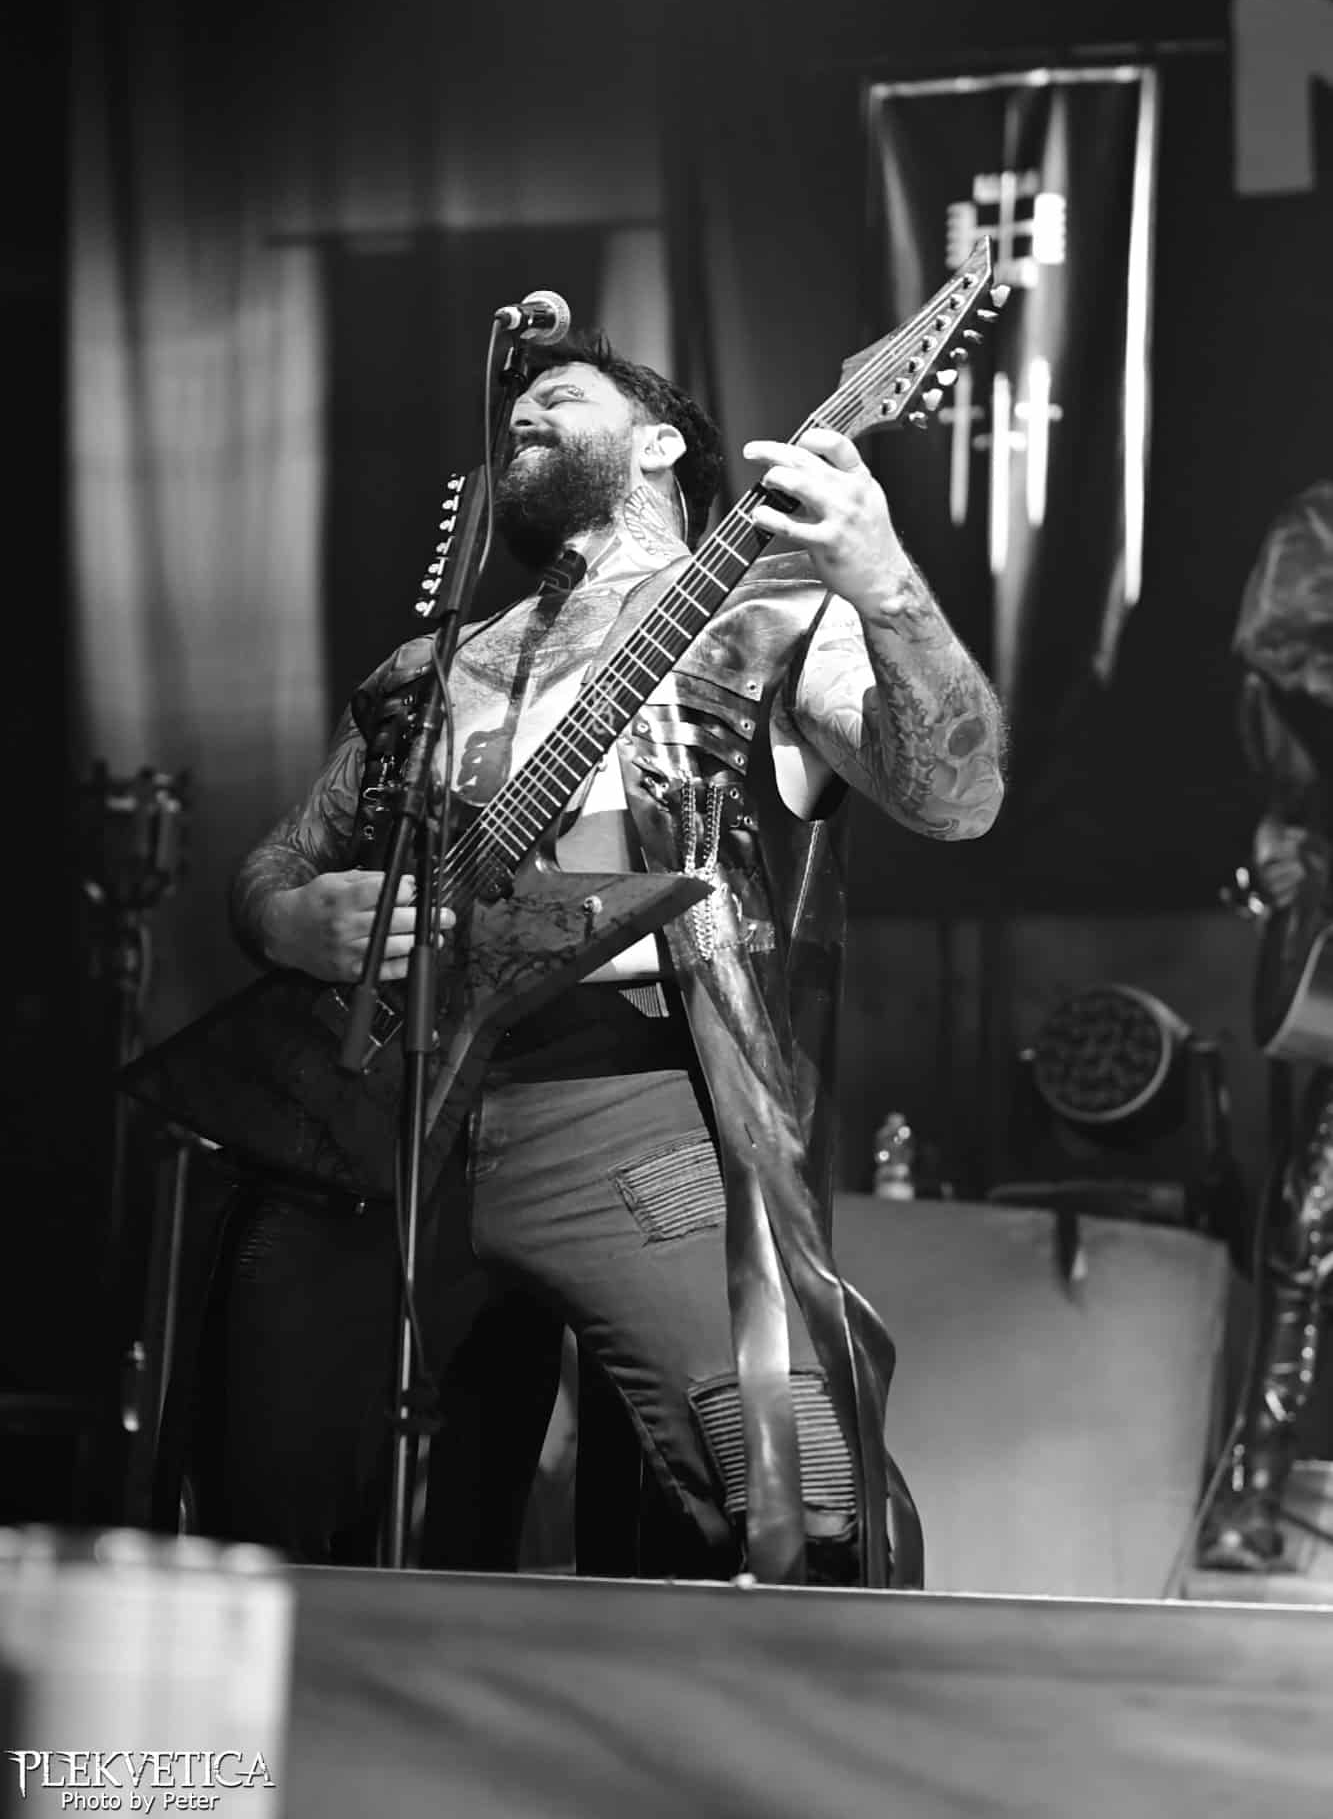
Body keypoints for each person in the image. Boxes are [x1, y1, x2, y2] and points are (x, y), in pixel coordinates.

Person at [183, 331, 1006, 1587]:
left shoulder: (769, 610)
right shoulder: (429, 668)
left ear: (663, 443)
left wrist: (885, 582)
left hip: (628, 1100)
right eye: (512, 404)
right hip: (388, 1121)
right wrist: (285, 920)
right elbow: (280, 860)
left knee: (794, 1492)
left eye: (561, 395)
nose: (523, 412)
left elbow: (959, 800)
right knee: (288, 1505)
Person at [1200, 478, 1333, 1572]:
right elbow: (1272, 654)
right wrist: (1277, 843)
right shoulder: (1318, 526)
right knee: (1303, 1218)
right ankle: (1251, 1493)